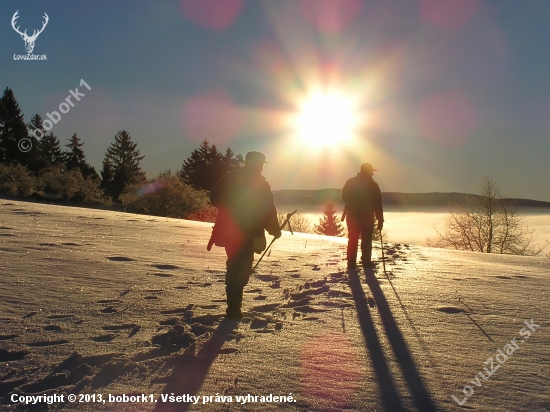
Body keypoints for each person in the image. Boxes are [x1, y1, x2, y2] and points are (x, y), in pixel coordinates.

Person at [209, 151, 281, 319]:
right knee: (239, 268)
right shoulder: (260, 185)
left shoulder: (231, 178)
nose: (262, 167)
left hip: (232, 232)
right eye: (261, 164)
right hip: (247, 233)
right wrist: (274, 229)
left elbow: (214, 197)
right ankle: (233, 310)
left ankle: (233, 307)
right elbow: (268, 210)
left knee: (237, 265)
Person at [341, 163, 384, 270]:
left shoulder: (350, 182)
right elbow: (378, 204)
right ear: (368, 172)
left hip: (352, 215)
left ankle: (351, 264)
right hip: (367, 216)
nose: (373, 174)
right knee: (366, 239)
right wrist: (380, 220)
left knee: (353, 239)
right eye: (371, 172)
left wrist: (352, 201)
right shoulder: (373, 185)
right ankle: (366, 262)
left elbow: (343, 197)